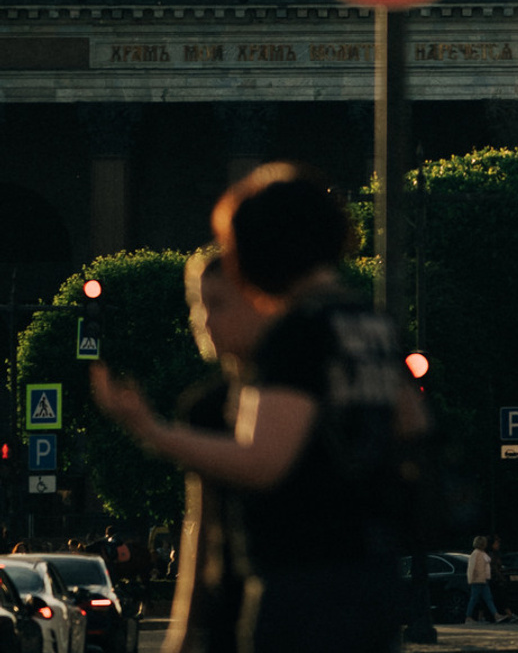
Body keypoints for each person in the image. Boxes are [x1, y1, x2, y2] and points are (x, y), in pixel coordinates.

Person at [92, 163, 425, 653]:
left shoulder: (297, 332)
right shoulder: (370, 323)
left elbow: (264, 461)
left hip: (302, 582)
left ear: (263, 249)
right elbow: (414, 428)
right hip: (370, 575)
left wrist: (151, 429)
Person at [162, 248, 269, 653]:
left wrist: (149, 429)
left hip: (288, 609)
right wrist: (184, 632)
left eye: (219, 304)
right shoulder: (204, 407)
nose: (205, 321)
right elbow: (201, 524)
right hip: (226, 613)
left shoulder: (292, 394)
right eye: (198, 305)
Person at [465, 538, 499, 624]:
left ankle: (496, 615)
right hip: (477, 580)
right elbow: (471, 567)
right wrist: (471, 579)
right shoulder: (475, 554)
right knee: (474, 599)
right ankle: (468, 617)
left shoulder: (482, 553)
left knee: (488, 598)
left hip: (484, 579)